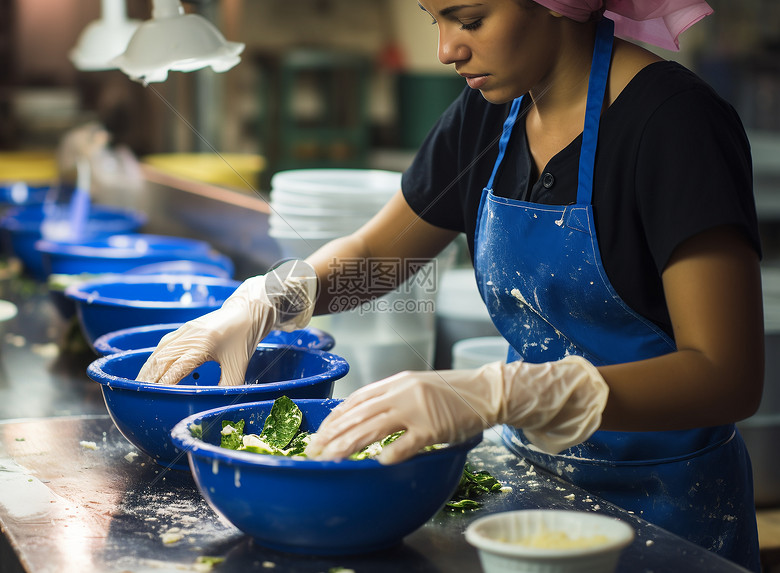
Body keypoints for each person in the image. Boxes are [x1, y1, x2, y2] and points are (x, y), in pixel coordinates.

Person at [137, 1, 764, 569]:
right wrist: (264, 300)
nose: (446, 50)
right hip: (534, 499)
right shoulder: (490, 114)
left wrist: (498, 391)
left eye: (469, 19)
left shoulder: (676, 125)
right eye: (435, 19)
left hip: (670, 514)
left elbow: (725, 375)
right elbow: (378, 255)